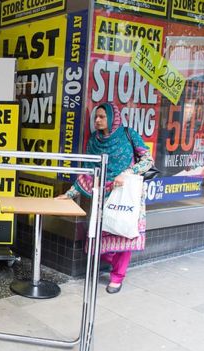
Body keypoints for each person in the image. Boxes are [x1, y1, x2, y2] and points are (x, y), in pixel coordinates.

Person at [56, 103, 154, 294]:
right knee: (102, 238)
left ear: (112, 117)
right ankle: (113, 264)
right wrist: (68, 195)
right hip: (104, 196)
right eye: (96, 117)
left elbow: (148, 160)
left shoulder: (128, 134)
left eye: (102, 117)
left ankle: (117, 277)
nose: (98, 120)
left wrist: (126, 173)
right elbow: (89, 173)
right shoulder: (93, 141)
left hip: (126, 194)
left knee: (124, 235)